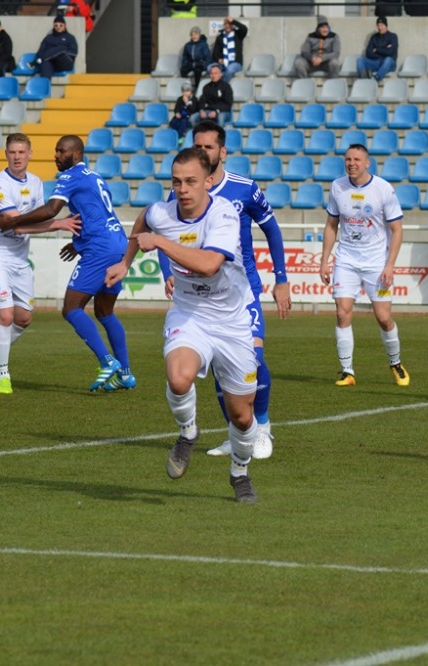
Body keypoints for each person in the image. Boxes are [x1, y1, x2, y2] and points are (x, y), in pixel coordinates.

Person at [104, 147, 260, 504]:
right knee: (178, 378)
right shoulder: (162, 212)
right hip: (190, 314)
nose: (183, 189)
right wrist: (126, 262)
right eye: (176, 182)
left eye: (191, 181)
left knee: (241, 416)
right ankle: (188, 432)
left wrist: (160, 242)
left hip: (232, 321)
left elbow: (209, 264)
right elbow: (144, 219)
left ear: (208, 182)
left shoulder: (223, 213)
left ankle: (239, 473)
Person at [159, 121, 290, 460]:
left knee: (254, 359)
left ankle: (262, 427)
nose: (203, 152)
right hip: (199, 299)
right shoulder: (181, 192)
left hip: (242, 291)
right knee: (221, 366)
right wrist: (167, 272)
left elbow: (272, 230)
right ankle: (236, 433)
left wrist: (282, 279)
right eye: (197, 146)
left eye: (209, 147)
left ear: (222, 151)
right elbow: (163, 230)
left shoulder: (243, 189)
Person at [0, 135, 134, 392]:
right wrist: (78, 243)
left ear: (76, 154)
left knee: (71, 309)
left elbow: (51, 210)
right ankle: (125, 374)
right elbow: (95, 212)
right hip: (117, 244)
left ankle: (107, 361)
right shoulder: (94, 176)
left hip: (100, 249)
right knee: (105, 312)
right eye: (56, 151)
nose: (56, 156)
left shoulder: (70, 176)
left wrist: (12, 221)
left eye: (61, 151)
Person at [0, 133, 80, 395]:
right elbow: (17, 225)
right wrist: (58, 223)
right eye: (12, 152)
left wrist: (49, 222)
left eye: (22, 152)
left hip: (19, 258)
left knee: (23, 318)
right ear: (6, 154)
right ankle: (2, 373)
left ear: (30, 154)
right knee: (5, 315)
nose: (17, 157)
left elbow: (34, 220)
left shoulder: (35, 183)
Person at [319, 143, 409, 388]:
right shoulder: (337, 187)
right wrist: (325, 260)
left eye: (357, 160)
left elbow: (397, 229)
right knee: (342, 312)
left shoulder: (383, 189)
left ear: (367, 163)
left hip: (376, 262)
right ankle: (347, 371)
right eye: (348, 159)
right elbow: (331, 225)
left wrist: (390, 265)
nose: (351, 164)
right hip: (346, 260)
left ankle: (395, 362)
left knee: (383, 317)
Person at [34, 14, 77, 78]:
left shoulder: (70, 37)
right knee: (45, 64)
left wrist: (60, 52)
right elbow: (40, 51)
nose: (58, 27)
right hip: (51, 62)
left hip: (65, 62)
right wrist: (48, 56)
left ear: (65, 26)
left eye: (61, 25)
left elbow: (73, 52)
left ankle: (37, 61)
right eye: (56, 25)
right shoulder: (48, 38)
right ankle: (45, 83)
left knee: (61, 48)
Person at [357, 16, 398, 82]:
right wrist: (385, 49)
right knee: (360, 60)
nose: (380, 28)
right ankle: (364, 80)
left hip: (389, 64)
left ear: (386, 26)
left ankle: (376, 79)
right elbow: (368, 53)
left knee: (388, 59)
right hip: (376, 62)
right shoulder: (374, 37)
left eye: (381, 25)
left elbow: (390, 52)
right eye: (378, 25)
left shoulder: (393, 36)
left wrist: (377, 50)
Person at [209, 16, 247, 82]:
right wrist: (219, 59)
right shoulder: (220, 37)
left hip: (236, 63)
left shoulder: (238, 35)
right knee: (210, 68)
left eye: (230, 24)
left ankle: (223, 85)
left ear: (232, 25)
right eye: (226, 24)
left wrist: (233, 21)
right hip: (223, 64)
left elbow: (244, 29)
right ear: (224, 26)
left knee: (229, 69)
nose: (228, 26)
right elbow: (215, 53)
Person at [179, 25, 210, 90]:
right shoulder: (188, 45)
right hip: (191, 63)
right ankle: (187, 85)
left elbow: (207, 56)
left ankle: (197, 87)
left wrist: (206, 65)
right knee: (183, 70)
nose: (194, 36)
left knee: (197, 71)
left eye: (196, 34)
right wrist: (185, 64)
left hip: (200, 64)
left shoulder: (203, 44)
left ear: (199, 35)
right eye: (192, 35)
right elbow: (185, 56)